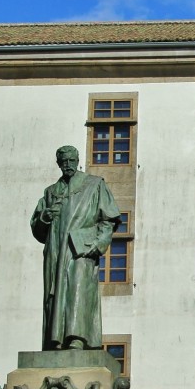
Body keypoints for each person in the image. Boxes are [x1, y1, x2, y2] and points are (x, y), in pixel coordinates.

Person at [31, 145, 121, 350]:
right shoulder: (51, 192)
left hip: (80, 250)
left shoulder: (94, 185)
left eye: (71, 161)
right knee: (55, 297)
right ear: (58, 164)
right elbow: (37, 229)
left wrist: (98, 244)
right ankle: (56, 340)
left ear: (77, 160)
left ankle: (77, 339)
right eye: (64, 162)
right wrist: (44, 217)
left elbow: (108, 219)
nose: (68, 165)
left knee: (78, 292)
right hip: (55, 252)